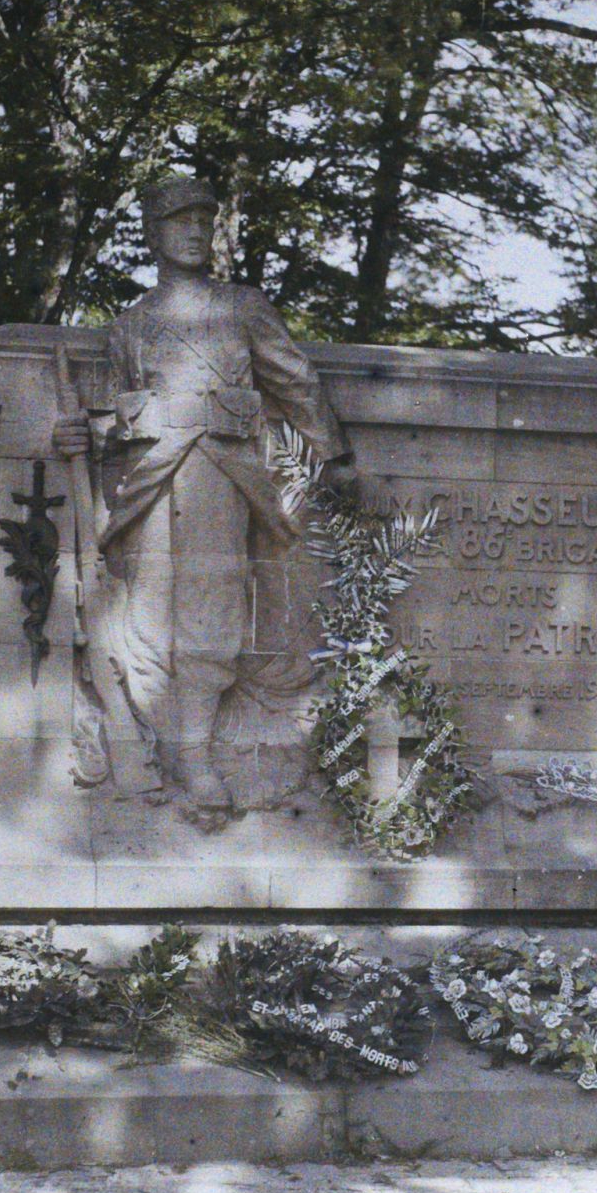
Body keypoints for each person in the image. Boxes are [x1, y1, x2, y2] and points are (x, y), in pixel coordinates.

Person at [53, 175, 359, 812]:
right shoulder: (131, 327)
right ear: (153, 233)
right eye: (178, 221)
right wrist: (80, 432)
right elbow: (117, 416)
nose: (194, 232)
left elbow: (295, 382)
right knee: (147, 618)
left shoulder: (243, 307)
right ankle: (159, 750)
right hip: (150, 485)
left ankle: (194, 759)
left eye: (204, 220)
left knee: (211, 612)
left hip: (222, 473)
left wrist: (337, 460)